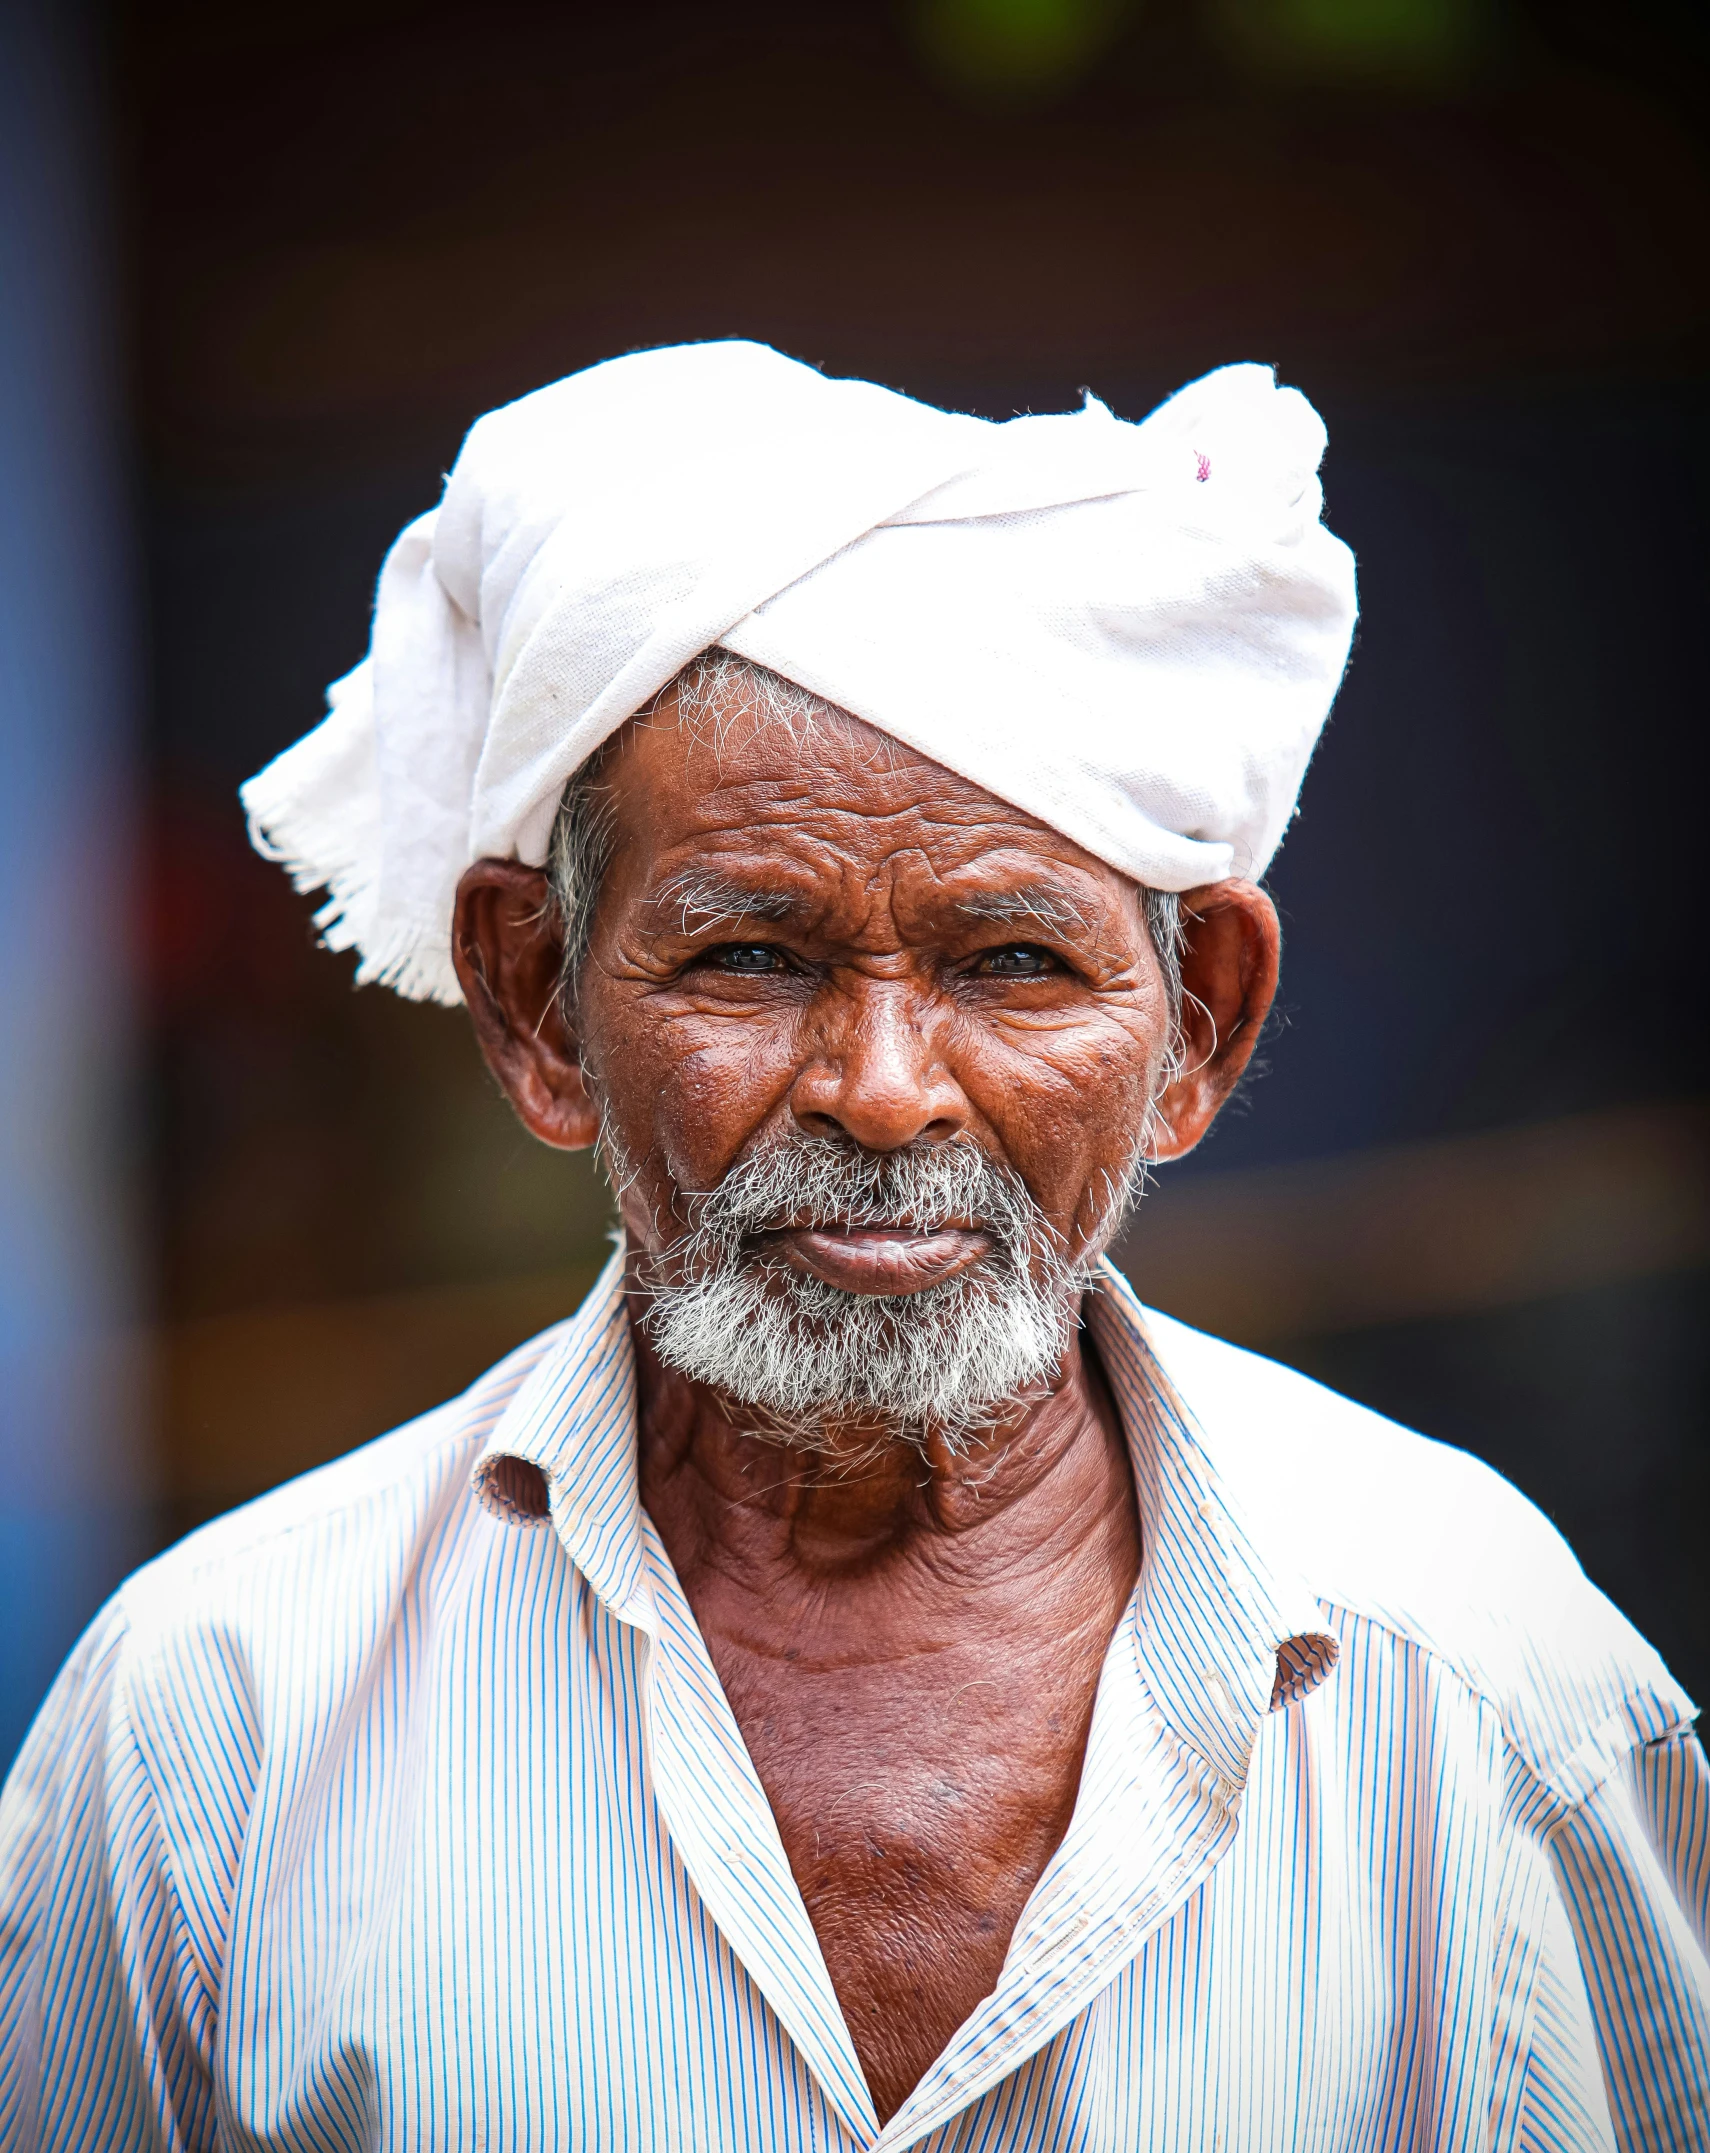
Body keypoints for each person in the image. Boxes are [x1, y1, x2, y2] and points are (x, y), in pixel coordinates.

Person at [1, 342, 1704, 2151]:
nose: (884, 1095)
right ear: (538, 1007)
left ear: (1196, 1024)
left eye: (1011, 963)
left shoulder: (1478, 1680)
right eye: (750, 958)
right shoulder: (220, 1720)